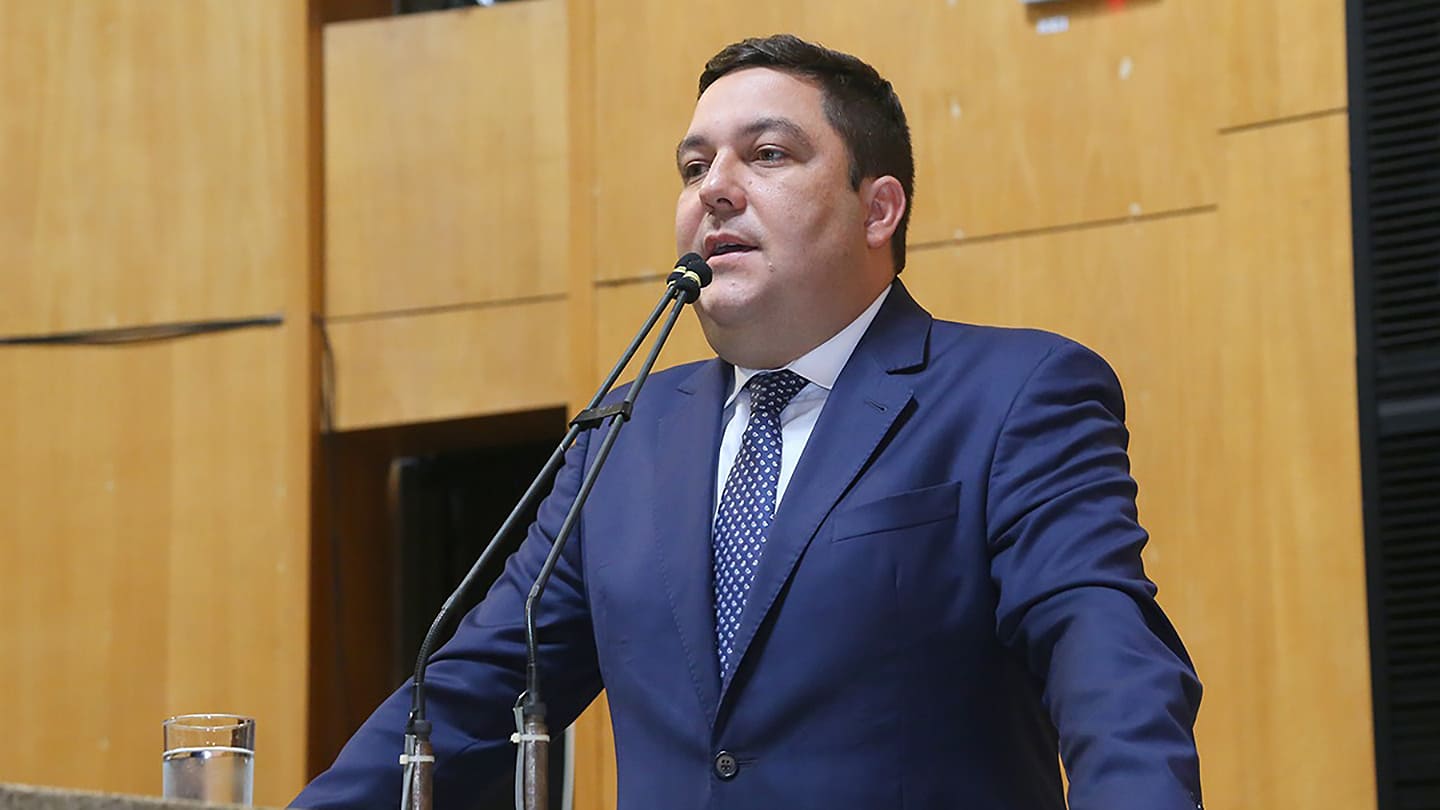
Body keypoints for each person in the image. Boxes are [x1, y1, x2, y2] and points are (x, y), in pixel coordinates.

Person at [294, 34, 1203, 810]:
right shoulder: (621, 439)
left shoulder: (1012, 394)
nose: (714, 191)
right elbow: (467, 697)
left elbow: (1110, 672)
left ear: (878, 209)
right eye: (694, 168)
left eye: (767, 155)